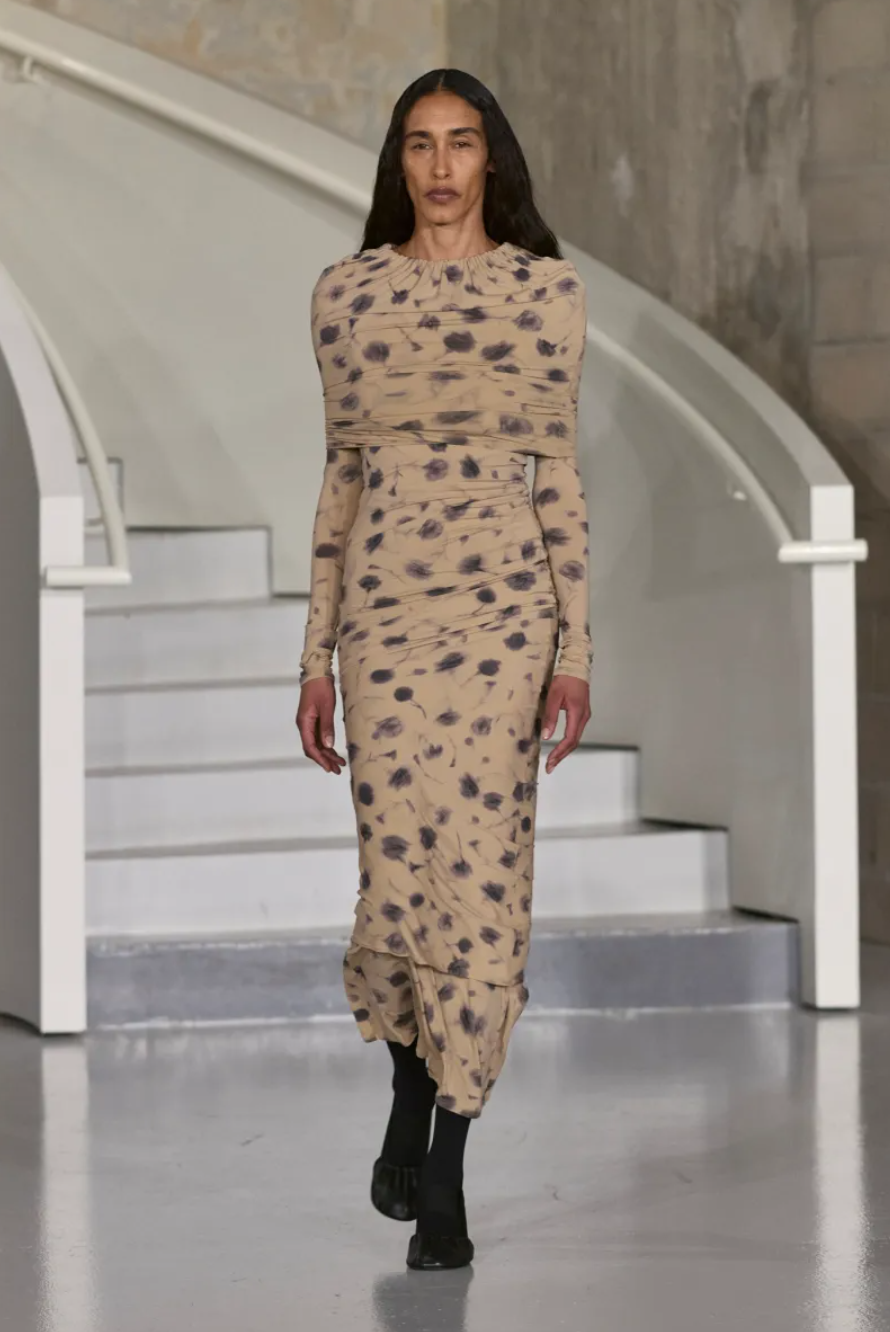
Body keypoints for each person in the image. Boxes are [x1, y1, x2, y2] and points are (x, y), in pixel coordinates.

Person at [296, 67, 592, 1271]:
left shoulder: (544, 295)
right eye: (417, 144)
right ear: (397, 162)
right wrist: (312, 658)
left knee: (483, 877)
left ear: (490, 161)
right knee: (397, 871)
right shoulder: (346, 296)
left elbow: (557, 476)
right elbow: (340, 481)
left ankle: (449, 1170)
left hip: (504, 616)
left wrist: (575, 653)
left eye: (460, 142)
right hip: (382, 619)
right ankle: (408, 1092)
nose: (438, 166)